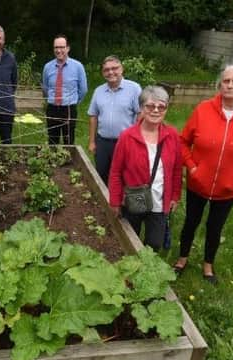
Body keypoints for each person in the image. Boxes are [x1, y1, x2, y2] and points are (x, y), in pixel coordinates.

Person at [173, 64, 233, 284]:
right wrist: (192, 167)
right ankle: (182, 259)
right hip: (197, 183)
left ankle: (208, 265)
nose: (229, 85)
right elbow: (182, 142)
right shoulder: (203, 109)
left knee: (215, 227)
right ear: (220, 84)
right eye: (226, 81)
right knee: (191, 222)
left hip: (228, 188)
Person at [108, 86, 182, 251]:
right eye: (150, 106)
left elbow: (177, 169)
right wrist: (115, 201)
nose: (155, 110)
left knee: (154, 244)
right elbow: (115, 172)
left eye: (161, 107)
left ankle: (147, 273)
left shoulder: (172, 136)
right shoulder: (127, 136)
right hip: (134, 200)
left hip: (159, 201)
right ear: (141, 108)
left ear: (166, 109)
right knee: (129, 241)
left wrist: (175, 196)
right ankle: (129, 272)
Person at [88, 55, 141, 185]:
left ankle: (122, 204)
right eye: (106, 70)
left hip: (125, 143)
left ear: (121, 69)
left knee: (123, 177)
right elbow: (93, 116)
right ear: (103, 73)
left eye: (114, 68)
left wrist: (137, 141)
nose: (111, 72)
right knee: (101, 175)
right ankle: (105, 203)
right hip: (103, 142)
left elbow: (141, 115)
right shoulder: (98, 91)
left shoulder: (134, 89)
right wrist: (92, 141)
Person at [42, 34, 87, 145]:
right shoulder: (47, 67)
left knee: (69, 141)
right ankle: (53, 161)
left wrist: (73, 102)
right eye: (56, 47)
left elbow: (83, 89)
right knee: (52, 140)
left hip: (69, 109)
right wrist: (52, 99)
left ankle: (69, 161)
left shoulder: (78, 67)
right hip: (52, 108)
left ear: (68, 48)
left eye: (62, 47)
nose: (59, 50)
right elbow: (45, 88)